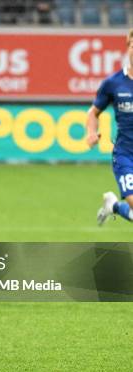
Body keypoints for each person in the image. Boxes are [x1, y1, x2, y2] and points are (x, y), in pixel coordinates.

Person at [88, 29, 133, 226]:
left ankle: (113, 205)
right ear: (128, 47)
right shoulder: (113, 83)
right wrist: (91, 132)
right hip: (125, 155)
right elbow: (93, 113)